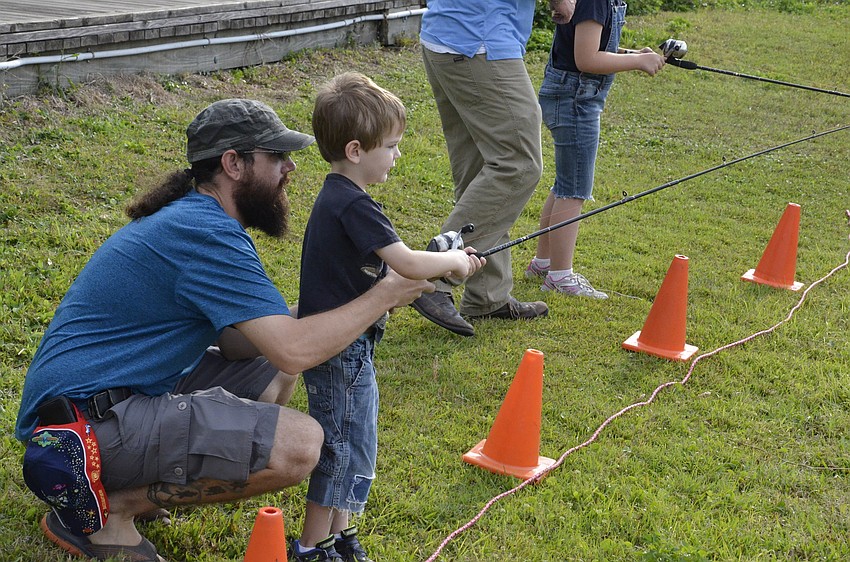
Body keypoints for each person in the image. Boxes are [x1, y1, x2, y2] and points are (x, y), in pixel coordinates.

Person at [14, 98, 432, 562]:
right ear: (234, 164)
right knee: (299, 445)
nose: (291, 167)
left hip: (98, 405)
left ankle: (131, 480)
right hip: (77, 435)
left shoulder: (200, 219)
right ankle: (111, 511)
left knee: (271, 371)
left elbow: (242, 345)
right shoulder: (207, 233)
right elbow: (294, 350)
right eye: (276, 157)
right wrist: (383, 296)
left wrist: (344, 300)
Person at [290, 72, 484, 562]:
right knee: (339, 447)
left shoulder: (341, 199)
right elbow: (409, 266)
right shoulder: (352, 203)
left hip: (349, 345)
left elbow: (393, 264)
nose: (397, 156)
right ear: (356, 150)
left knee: (356, 441)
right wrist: (455, 263)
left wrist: (442, 251)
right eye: (392, 146)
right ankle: (311, 548)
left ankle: (340, 537)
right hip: (340, 349)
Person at [411, 0, 550, 337]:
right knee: (518, 164)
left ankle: (488, 296)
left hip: (449, 34)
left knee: (479, 172)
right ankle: (434, 277)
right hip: (478, 40)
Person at [525, 0, 665, 298]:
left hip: (570, 95)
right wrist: (637, 63)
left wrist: (632, 53)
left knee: (565, 183)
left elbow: (591, 45)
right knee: (574, 188)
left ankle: (543, 263)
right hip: (575, 99)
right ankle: (560, 277)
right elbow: (586, 59)